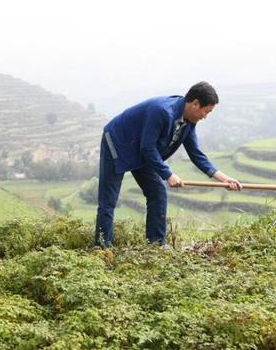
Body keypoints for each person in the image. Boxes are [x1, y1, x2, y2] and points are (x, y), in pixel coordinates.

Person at [94, 81, 242, 247]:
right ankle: (101, 247)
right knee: (108, 200)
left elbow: (196, 154)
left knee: (158, 192)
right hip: (118, 143)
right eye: (206, 111)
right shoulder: (162, 111)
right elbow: (147, 147)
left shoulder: (188, 122)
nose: (205, 116)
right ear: (195, 104)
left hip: (142, 150)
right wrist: (168, 174)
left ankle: (156, 245)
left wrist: (224, 179)